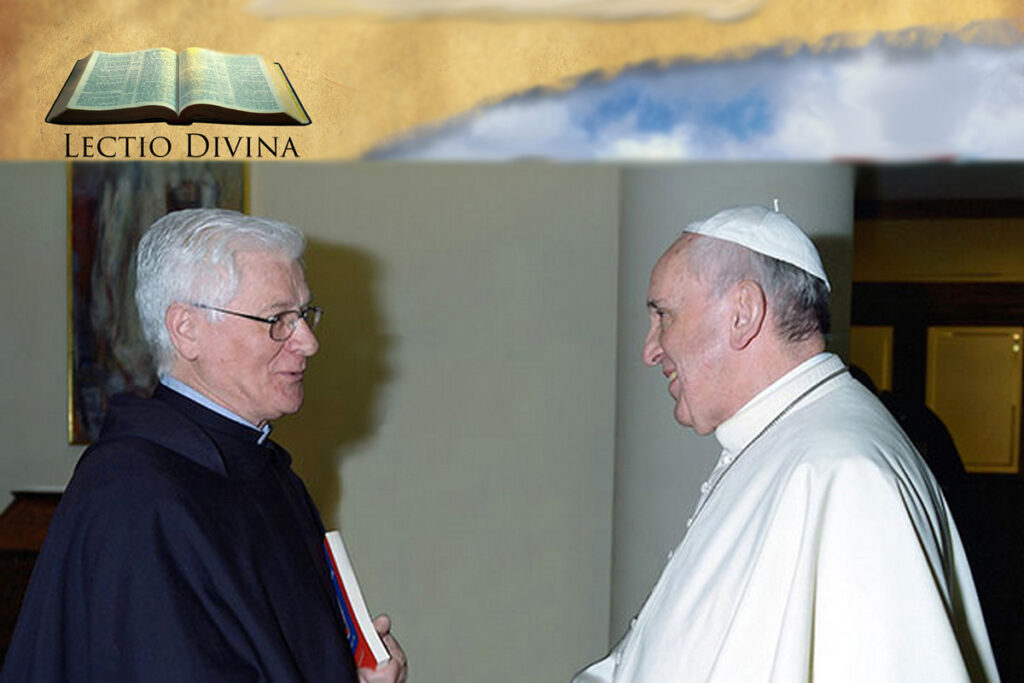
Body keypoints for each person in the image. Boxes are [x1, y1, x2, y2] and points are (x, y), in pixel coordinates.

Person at [573, 205, 999, 683]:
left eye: (663, 316)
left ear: (743, 313)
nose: (650, 350)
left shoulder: (845, 472)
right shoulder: (782, 441)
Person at [3, 209, 408, 683]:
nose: (308, 342)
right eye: (277, 319)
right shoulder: (136, 499)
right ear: (186, 329)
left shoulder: (267, 472)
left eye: (303, 315)